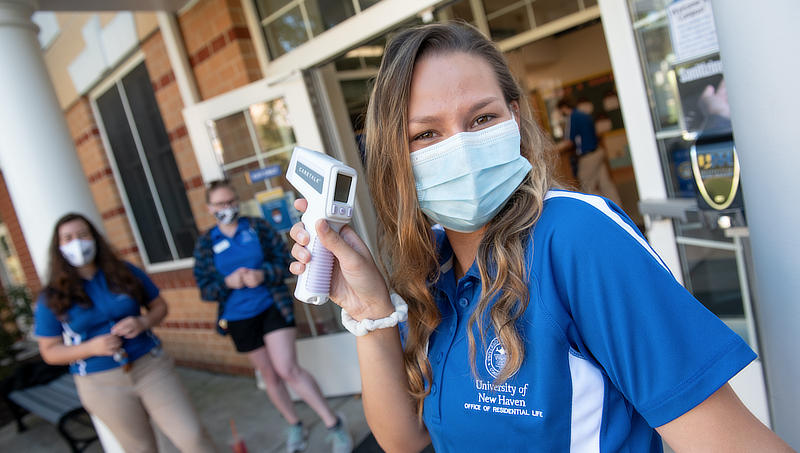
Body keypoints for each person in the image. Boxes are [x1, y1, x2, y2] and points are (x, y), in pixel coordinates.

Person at [288, 22, 795, 453]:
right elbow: (407, 438)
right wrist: (371, 312)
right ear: (394, 157)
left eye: (482, 118)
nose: (461, 149)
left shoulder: (578, 237)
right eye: (427, 134)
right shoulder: (434, 264)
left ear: (515, 117)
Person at [34, 213, 217, 453]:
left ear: (94, 238)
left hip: (150, 367)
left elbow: (159, 307)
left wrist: (142, 322)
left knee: (192, 436)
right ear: (58, 247)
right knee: (140, 449)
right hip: (100, 383)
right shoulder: (52, 296)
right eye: (67, 238)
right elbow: (50, 351)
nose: (76, 242)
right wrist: (92, 348)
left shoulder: (124, 272)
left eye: (82, 235)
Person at [193, 180, 353, 453]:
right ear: (210, 208)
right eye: (221, 204)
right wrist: (227, 283)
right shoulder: (206, 242)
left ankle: (334, 423)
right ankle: (294, 424)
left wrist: (261, 275)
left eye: (232, 201)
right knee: (269, 374)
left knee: (286, 368)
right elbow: (205, 288)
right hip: (237, 316)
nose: (228, 208)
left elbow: (285, 263)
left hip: (271, 306)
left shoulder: (257, 227)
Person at [556, 95, 623, 206]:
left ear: (563, 107)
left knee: (586, 186)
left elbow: (569, 140)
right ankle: (617, 208)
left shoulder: (573, 117)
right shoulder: (585, 114)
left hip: (588, 157)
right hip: (598, 152)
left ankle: (601, 208)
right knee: (606, 184)